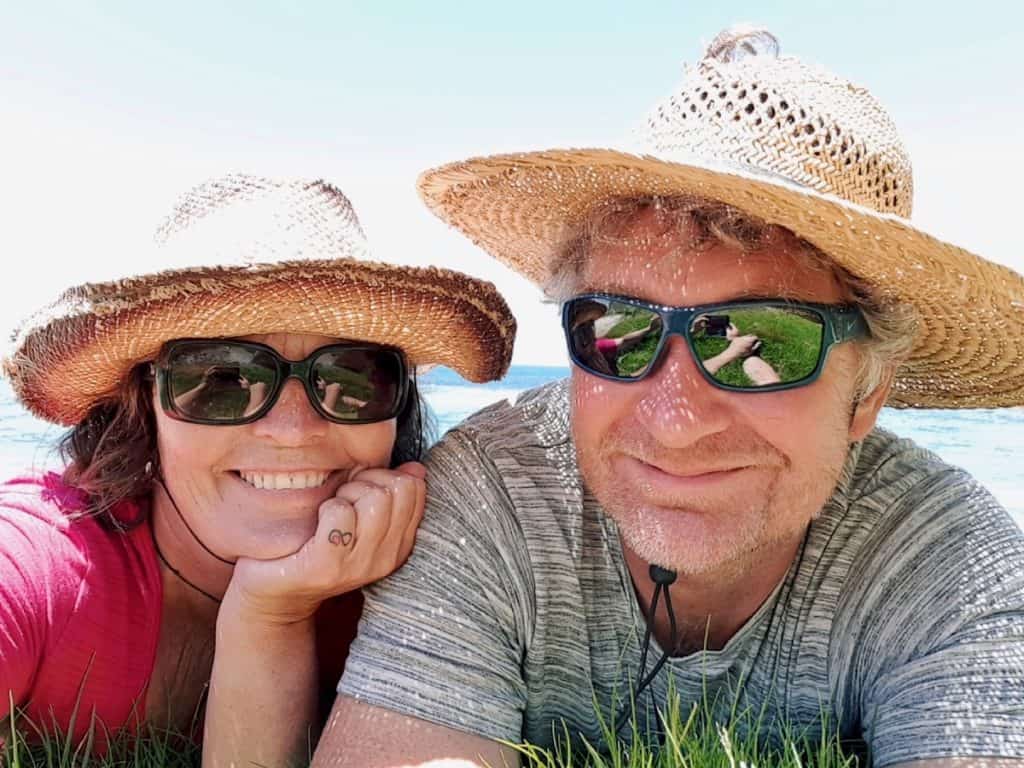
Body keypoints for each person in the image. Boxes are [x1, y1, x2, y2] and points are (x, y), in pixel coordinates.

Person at [313, 26, 1024, 768]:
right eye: (620, 329)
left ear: (868, 391)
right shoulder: (495, 495)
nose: (676, 424)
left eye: (762, 344)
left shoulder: (946, 557)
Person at [0, 174, 515, 767]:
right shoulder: (48, 563)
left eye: (350, 378)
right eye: (221, 381)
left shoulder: (431, 577)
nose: (293, 431)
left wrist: (272, 610)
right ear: (143, 406)